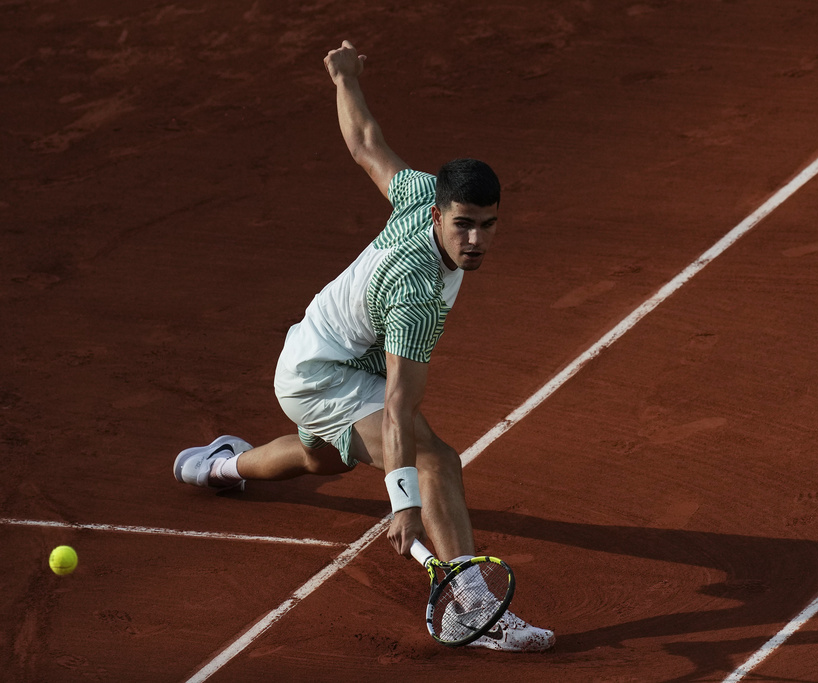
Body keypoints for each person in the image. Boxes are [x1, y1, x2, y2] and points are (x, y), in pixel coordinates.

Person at [173, 40, 554, 652]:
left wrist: (343, 75)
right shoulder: (417, 293)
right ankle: (473, 607)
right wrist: (403, 502)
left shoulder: (416, 195)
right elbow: (401, 406)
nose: (476, 240)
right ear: (438, 215)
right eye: (464, 225)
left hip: (312, 355)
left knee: (322, 458)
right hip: (322, 376)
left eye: (488, 225)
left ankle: (217, 465)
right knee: (436, 460)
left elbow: (366, 144)